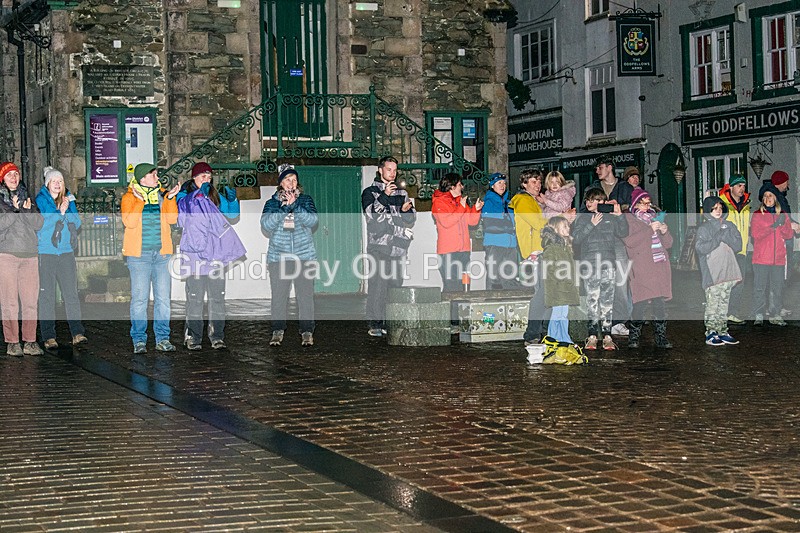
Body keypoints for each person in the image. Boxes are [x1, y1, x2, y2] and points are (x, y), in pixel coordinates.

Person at [177, 163, 247, 351]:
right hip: (195, 256)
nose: (206, 180)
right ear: (194, 178)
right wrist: (200, 195)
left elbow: (232, 215)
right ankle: (193, 336)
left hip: (216, 256)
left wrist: (232, 201)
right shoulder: (185, 196)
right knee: (195, 298)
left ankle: (217, 336)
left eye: (209, 177)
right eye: (202, 177)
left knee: (217, 298)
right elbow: (182, 216)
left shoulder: (213, 195)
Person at [122, 163, 180, 354]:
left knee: (163, 299)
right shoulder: (129, 197)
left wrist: (170, 198)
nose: (157, 178)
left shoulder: (163, 195)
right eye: (153, 175)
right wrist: (140, 201)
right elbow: (129, 222)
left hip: (162, 254)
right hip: (139, 256)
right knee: (140, 299)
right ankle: (139, 340)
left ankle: (162, 338)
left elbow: (172, 220)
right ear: (142, 179)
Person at [261, 165, 319, 347]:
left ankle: (307, 331)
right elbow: (266, 224)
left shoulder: (306, 200)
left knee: (305, 296)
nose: (291, 183)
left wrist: (295, 206)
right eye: (287, 179)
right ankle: (277, 330)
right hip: (279, 257)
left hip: (304, 256)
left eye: (294, 179)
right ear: (280, 183)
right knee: (279, 296)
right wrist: (284, 209)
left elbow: (313, 220)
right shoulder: (272, 203)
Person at [361, 156, 416, 337]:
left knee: (395, 284)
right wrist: (385, 195)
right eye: (389, 169)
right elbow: (373, 217)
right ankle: (375, 323)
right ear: (380, 170)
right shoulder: (370, 192)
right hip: (379, 245)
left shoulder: (402, 193)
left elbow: (410, 219)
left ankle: (391, 321)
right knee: (378, 285)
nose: (392, 174)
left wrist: (407, 212)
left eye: (394, 170)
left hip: (398, 245)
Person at [35, 167, 87, 351]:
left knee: (71, 293)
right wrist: (61, 214)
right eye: (54, 181)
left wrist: (66, 211)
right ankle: (49, 335)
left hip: (65, 252)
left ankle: (77, 332)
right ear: (47, 183)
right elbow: (44, 223)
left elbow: (77, 221)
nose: (57, 184)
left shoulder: (68, 198)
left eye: (60, 181)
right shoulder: (41, 200)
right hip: (47, 252)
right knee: (47, 295)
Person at [571, 187, 628, 351]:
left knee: (607, 301)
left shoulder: (610, 218)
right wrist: (590, 224)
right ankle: (592, 335)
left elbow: (624, 232)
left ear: (602, 202)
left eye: (593, 200)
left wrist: (620, 217)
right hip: (590, 264)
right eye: (587, 200)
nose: (589, 203)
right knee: (592, 300)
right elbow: (576, 239)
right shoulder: (583, 219)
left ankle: (607, 335)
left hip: (608, 264)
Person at [0, 162, 44, 356]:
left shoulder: (27, 197)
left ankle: (30, 341)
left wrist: (25, 211)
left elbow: (39, 223)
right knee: (9, 302)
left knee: (30, 301)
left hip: (29, 255)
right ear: (2, 178)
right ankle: (12, 342)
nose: (14, 178)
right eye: (9, 175)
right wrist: (14, 210)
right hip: (7, 255)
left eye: (16, 174)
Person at [623, 189, 673, 349]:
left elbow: (668, 244)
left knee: (660, 304)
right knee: (640, 303)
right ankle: (634, 337)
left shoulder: (655, 218)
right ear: (635, 204)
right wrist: (649, 229)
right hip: (642, 267)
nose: (646, 206)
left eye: (648, 203)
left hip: (658, 265)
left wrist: (665, 232)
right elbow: (630, 242)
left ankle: (661, 337)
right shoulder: (629, 219)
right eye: (642, 203)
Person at [592, 155, 635, 336]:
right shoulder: (593, 188)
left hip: (618, 239)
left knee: (621, 281)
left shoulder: (625, 187)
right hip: (598, 239)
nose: (597, 171)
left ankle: (620, 320)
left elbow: (635, 207)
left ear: (609, 167)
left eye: (600, 167)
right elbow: (584, 209)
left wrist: (619, 206)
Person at [695, 196, 743, 346]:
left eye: (720, 208)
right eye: (714, 208)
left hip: (728, 270)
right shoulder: (704, 228)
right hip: (713, 271)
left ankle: (722, 330)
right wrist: (718, 237)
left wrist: (726, 234)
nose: (718, 211)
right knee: (713, 302)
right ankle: (711, 331)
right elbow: (701, 248)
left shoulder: (729, 225)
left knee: (724, 302)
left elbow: (738, 245)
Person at [509, 169, 548, 345]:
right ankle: (532, 333)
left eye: (539, 181)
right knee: (541, 293)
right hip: (536, 252)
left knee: (543, 292)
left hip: (538, 251)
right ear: (524, 184)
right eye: (533, 182)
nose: (538, 185)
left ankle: (539, 332)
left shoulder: (530, 200)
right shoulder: (524, 200)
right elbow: (538, 224)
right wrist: (562, 218)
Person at [750, 181, 795, 327]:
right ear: (762, 199)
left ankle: (775, 314)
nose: (768, 198)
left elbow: (788, 235)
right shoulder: (757, 215)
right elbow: (756, 234)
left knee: (777, 287)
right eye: (766, 196)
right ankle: (758, 314)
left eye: (771, 196)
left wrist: (783, 225)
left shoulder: (782, 214)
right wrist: (773, 226)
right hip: (761, 259)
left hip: (778, 259)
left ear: (775, 198)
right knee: (760, 287)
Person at [432, 172, 483, 292]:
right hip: (448, 251)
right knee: (452, 286)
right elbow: (446, 222)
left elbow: (472, 222)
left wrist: (476, 210)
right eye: (460, 184)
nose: (462, 187)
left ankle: (463, 310)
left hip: (463, 250)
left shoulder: (461, 201)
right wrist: (460, 207)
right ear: (452, 186)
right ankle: (450, 311)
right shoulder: (439, 202)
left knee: (464, 285)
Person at [765, 170, 800, 318]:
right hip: (780, 242)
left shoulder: (779, 198)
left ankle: (777, 306)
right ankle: (774, 309)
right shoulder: (774, 198)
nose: (788, 185)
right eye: (787, 182)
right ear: (781, 182)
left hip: (785, 240)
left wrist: (794, 224)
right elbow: (776, 219)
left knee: (783, 275)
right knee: (778, 275)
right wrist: (791, 225)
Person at [540, 216, 579, 344]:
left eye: (568, 226)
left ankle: (562, 338)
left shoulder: (565, 246)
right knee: (557, 315)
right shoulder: (552, 247)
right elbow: (550, 270)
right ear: (556, 229)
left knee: (563, 315)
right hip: (558, 288)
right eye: (565, 226)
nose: (568, 228)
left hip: (565, 287)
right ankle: (554, 339)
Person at [718, 174, 751, 324]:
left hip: (741, 250)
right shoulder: (722, 204)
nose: (742, 189)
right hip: (726, 251)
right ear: (731, 187)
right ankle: (721, 312)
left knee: (739, 282)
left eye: (743, 186)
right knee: (725, 283)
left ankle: (733, 312)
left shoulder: (745, 205)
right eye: (739, 186)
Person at [480, 172, 519, 289]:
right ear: (492, 186)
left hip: (511, 245)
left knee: (509, 276)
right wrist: (508, 227)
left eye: (504, 183)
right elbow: (489, 224)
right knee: (494, 278)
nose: (502, 185)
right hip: (495, 244)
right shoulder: (488, 203)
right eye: (499, 183)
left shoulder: (509, 203)